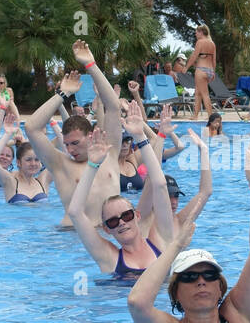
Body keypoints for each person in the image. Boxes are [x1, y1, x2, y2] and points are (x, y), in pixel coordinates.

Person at [126, 137, 250, 323]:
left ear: (220, 287)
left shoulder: (238, 318)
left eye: (209, 275)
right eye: (190, 277)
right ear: (175, 293)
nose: (201, 281)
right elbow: (137, 303)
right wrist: (175, 246)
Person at [68, 105, 177, 280]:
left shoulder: (162, 240)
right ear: (106, 229)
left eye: (126, 215)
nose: (121, 223)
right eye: (112, 221)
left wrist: (140, 136)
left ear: (137, 215)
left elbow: (159, 184)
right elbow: (75, 212)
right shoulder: (109, 258)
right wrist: (93, 164)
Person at [24, 41, 122, 228]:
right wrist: (63, 93)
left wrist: (91, 66)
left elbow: (113, 107)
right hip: (72, 238)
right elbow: (31, 127)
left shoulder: (110, 153)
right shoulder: (60, 164)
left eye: (75, 143)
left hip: (112, 234)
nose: (69, 149)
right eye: (67, 144)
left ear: (91, 136)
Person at [190, 25, 217, 120]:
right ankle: (195, 115)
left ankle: (210, 116)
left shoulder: (200, 42)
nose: (195, 34)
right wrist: (213, 72)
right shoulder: (212, 43)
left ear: (201, 32)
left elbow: (194, 57)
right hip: (209, 70)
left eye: (196, 32)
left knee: (205, 94)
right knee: (198, 93)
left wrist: (186, 66)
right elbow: (214, 60)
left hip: (201, 70)